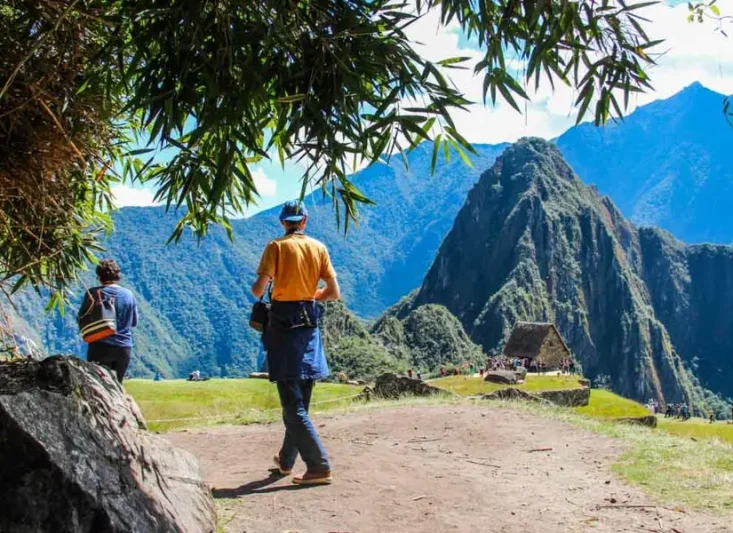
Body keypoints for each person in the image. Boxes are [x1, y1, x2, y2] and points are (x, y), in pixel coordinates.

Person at [251, 200, 339, 486]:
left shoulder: (276, 247)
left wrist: (271, 284)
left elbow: (258, 290)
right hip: (309, 327)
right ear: (305, 220)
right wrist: (311, 295)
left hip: (283, 327)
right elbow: (333, 292)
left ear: (282, 222)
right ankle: (287, 462)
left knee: (291, 404)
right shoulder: (319, 248)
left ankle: (319, 465)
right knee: (300, 400)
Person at [79, 259, 138, 382]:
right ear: (117, 276)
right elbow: (133, 322)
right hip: (123, 347)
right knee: (117, 387)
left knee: (97, 386)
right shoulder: (128, 294)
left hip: (99, 346)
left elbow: (82, 317)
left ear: (99, 276)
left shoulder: (93, 293)